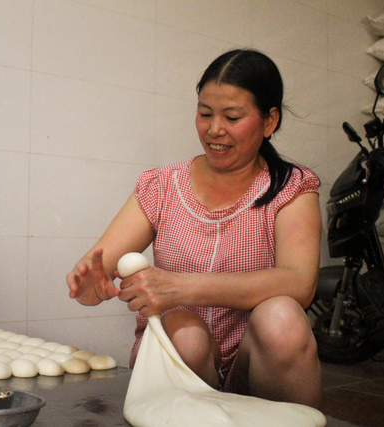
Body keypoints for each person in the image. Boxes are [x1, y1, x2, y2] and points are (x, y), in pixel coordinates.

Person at [66, 49, 322, 409]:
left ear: (269, 121)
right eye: (205, 114)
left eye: (232, 117)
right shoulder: (162, 186)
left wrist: (179, 286)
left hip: (254, 361)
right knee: (187, 333)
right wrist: (89, 287)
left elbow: (299, 283)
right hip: (180, 355)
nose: (214, 129)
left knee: (282, 318)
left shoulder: (290, 187)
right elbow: (97, 272)